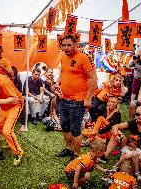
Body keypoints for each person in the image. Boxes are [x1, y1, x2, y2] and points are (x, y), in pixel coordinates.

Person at [55, 35, 97, 163]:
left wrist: (88, 98)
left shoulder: (84, 57)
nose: (66, 48)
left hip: (77, 101)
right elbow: (62, 73)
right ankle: (68, 148)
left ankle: (76, 154)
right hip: (63, 98)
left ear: (76, 45)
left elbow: (93, 79)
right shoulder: (63, 57)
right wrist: (58, 84)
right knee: (65, 126)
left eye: (69, 45)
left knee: (75, 129)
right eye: (64, 45)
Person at [103, 106, 141, 189]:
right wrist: (117, 133)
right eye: (137, 114)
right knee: (119, 136)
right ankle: (105, 155)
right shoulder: (133, 122)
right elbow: (115, 126)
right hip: (129, 148)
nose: (139, 117)